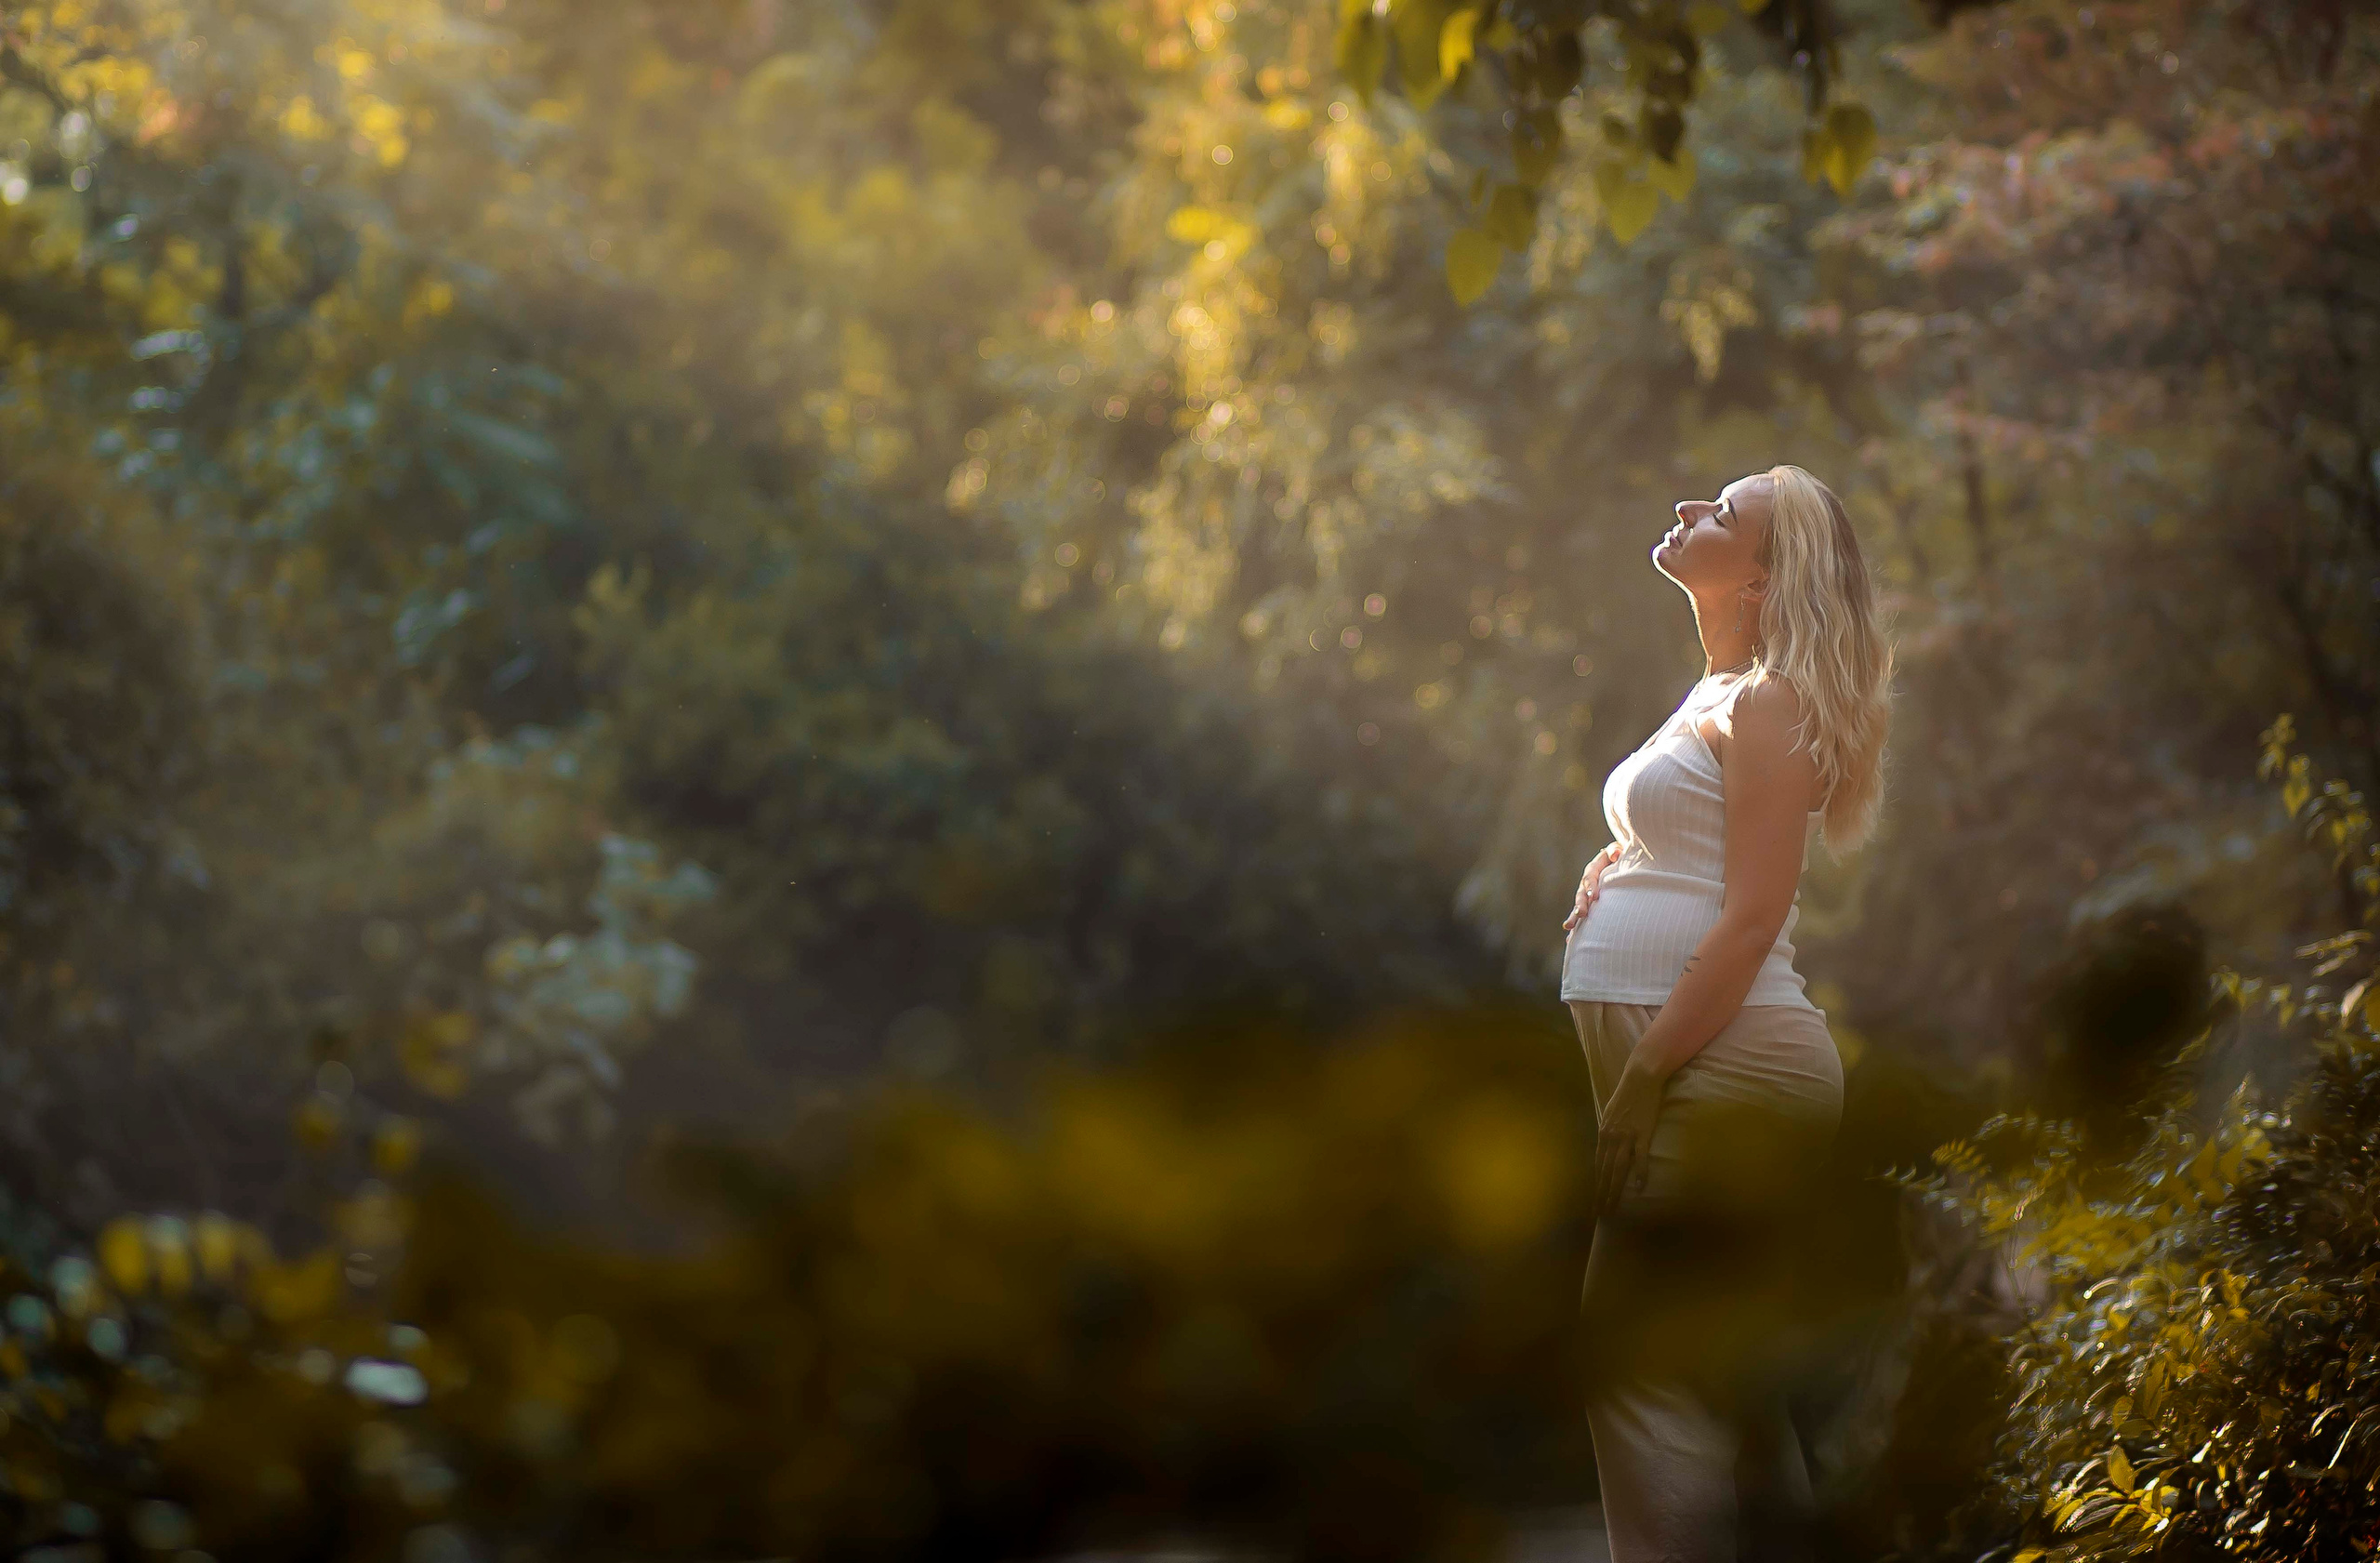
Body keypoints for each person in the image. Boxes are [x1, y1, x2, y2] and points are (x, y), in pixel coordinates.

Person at [1558, 466, 1892, 1562]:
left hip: (1728, 1064)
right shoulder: (1718, 689)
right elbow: (1703, 848)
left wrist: (1644, 1077)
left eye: (1722, 514)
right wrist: (1625, 858)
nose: (1686, 513)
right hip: (1696, 1061)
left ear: (1758, 574)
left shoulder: (1770, 701)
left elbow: (1751, 919)